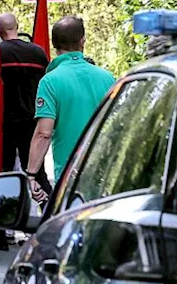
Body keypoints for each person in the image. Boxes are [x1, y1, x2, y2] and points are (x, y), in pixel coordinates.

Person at [25, 16, 115, 199]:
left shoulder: (50, 81)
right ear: (83, 41)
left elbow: (44, 133)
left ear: (54, 44)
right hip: (103, 171)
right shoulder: (107, 78)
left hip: (70, 173)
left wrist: (32, 174)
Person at [0, 13, 50, 250]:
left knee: (2, 175)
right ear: (17, 27)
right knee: (37, 172)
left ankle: (0, 234)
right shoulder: (38, 53)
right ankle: (51, 221)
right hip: (32, 121)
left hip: (4, 122)